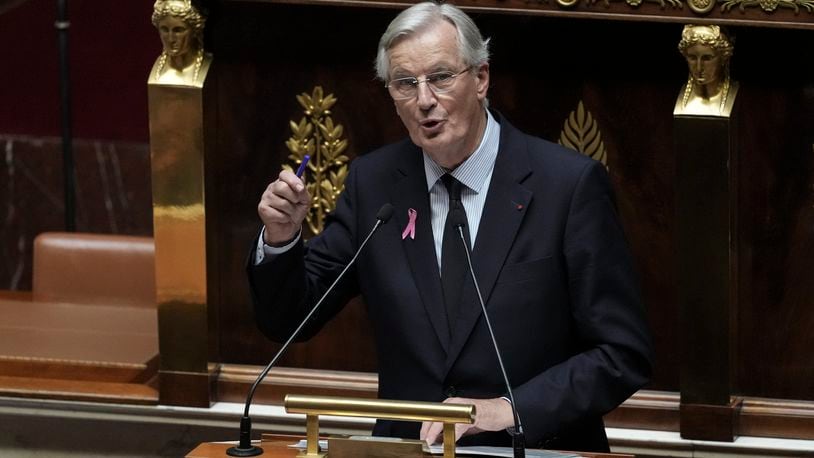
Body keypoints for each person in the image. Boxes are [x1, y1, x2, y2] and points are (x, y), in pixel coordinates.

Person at [247, 2, 653, 453]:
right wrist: (281, 238)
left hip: (532, 447)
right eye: (405, 83)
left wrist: (510, 408)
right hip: (409, 450)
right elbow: (290, 319)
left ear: (480, 79)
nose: (424, 100)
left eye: (440, 77)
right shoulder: (374, 185)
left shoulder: (568, 186)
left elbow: (622, 354)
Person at [676, 24, 737, 116]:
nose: (699, 67)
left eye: (707, 58)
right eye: (692, 57)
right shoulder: (670, 98)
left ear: (724, 58)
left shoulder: (742, 99)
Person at [150, 0, 211, 86]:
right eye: (164, 29)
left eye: (178, 30)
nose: (171, 39)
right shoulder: (157, 72)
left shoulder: (208, 66)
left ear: (195, 31)